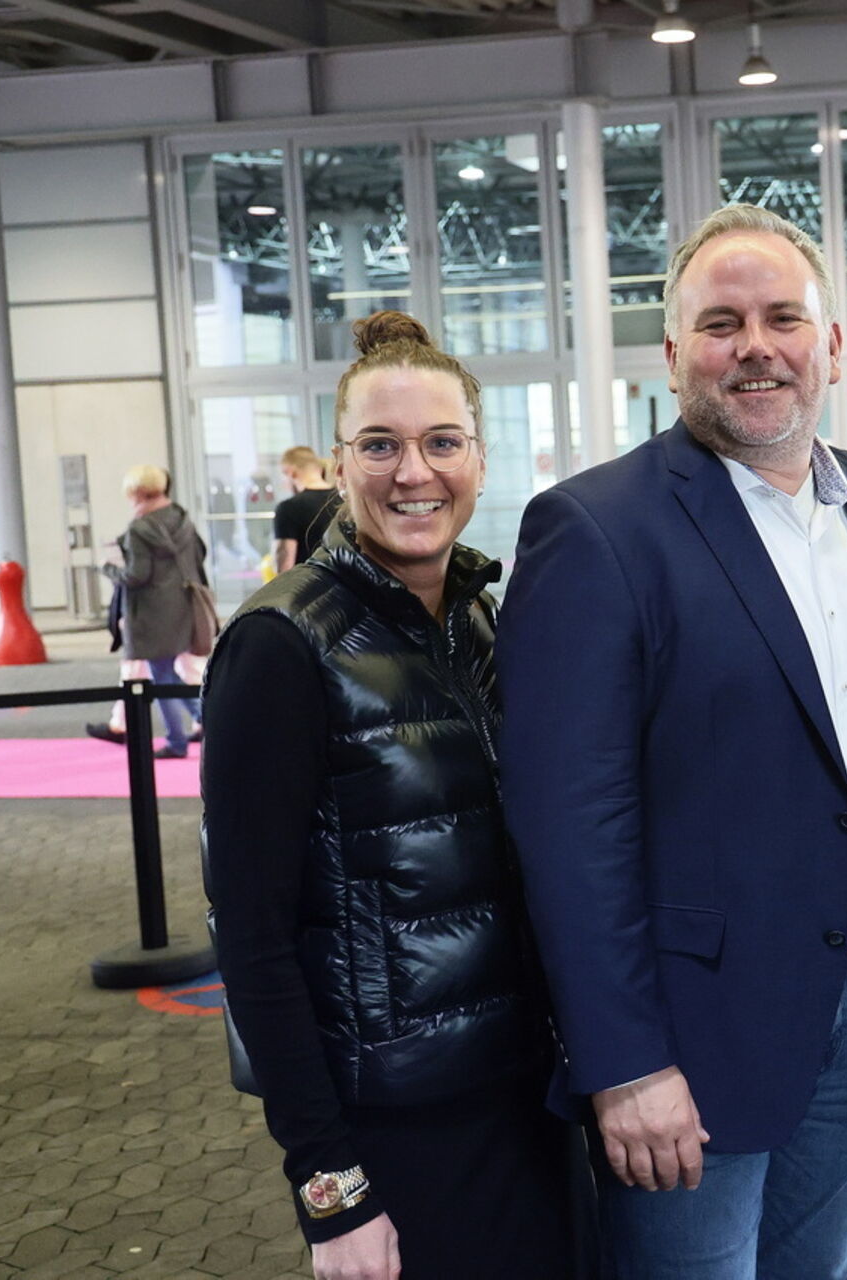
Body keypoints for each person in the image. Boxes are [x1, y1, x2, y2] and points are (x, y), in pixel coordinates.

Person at [497, 204, 847, 1280]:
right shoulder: (596, 529)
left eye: (785, 318)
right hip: (686, 1044)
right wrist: (623, 1061)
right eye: (721, 323)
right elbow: (567, 827)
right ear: (672, 352)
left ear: (832, 344)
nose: (756, 347)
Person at [202, 310, 591, 1280]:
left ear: (481, 460)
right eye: (380, 445)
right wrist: (330, 1184)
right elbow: (251, 936)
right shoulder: (282, 644)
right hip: (397, 1124)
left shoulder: (478, 617)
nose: (414, 472)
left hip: (523, 1090)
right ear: (339, 464)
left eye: (441, 442)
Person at [96, 464, 204, 759]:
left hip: (151, 614)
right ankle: (206, 721)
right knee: (169, 674)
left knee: (162, 679)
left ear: (137, 492)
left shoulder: (139, 528)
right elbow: (199, 556)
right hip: (182, 606)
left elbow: (136, 575)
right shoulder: (182, 519)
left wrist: (107, 567)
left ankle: (178, 741)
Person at [274, 445, 341, 572]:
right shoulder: (344, 501)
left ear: (291, 472)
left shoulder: (288, 508)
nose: (284, 483)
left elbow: (285, 563)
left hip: (308, 582)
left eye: (283, 475)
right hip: (345, 582)